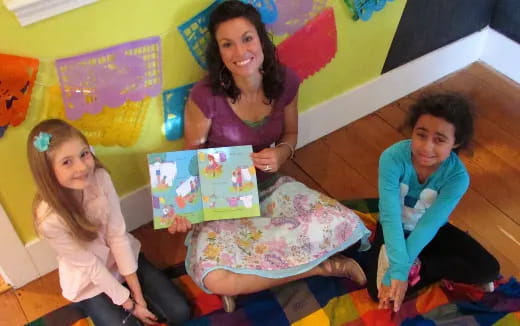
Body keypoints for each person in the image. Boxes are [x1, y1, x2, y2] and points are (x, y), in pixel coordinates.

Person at [168, 0, 371, 312]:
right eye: (227, 44)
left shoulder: (285, 80)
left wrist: (281, 154)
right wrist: (181, 208)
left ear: (262, 39)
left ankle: (250, 276)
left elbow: (291, 135)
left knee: (345, 223)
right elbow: (190, 156)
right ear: (218, 52)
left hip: (272, 189)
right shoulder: (205, 95)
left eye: (247, 38)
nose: (240, 52)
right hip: (224, 199)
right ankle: (323, 267)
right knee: (214, 278)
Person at [27, 119, 191, 325]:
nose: (82, 167)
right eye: (67, 162)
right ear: (47, 171)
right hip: (90, 279)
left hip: (122, 259)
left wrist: (137, 296)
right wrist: (129, 304)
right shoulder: (49, 221)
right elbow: (92, 267)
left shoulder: (100, 177)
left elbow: (117, 236)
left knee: (180, 312)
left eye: (84, 154)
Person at [365, 93, 500, 312]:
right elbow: (390, 217)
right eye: (421, 135)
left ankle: (423, 266)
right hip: (395, 228)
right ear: (413, 131)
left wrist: (399, 270)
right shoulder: (392, 158)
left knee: (489, 269)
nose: (426, 148)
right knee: (377, 292)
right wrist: (398, 272)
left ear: (456, 142)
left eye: (439, 140)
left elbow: (430, 224)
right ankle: (415, 264)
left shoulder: (458, 177)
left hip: (431, 230)